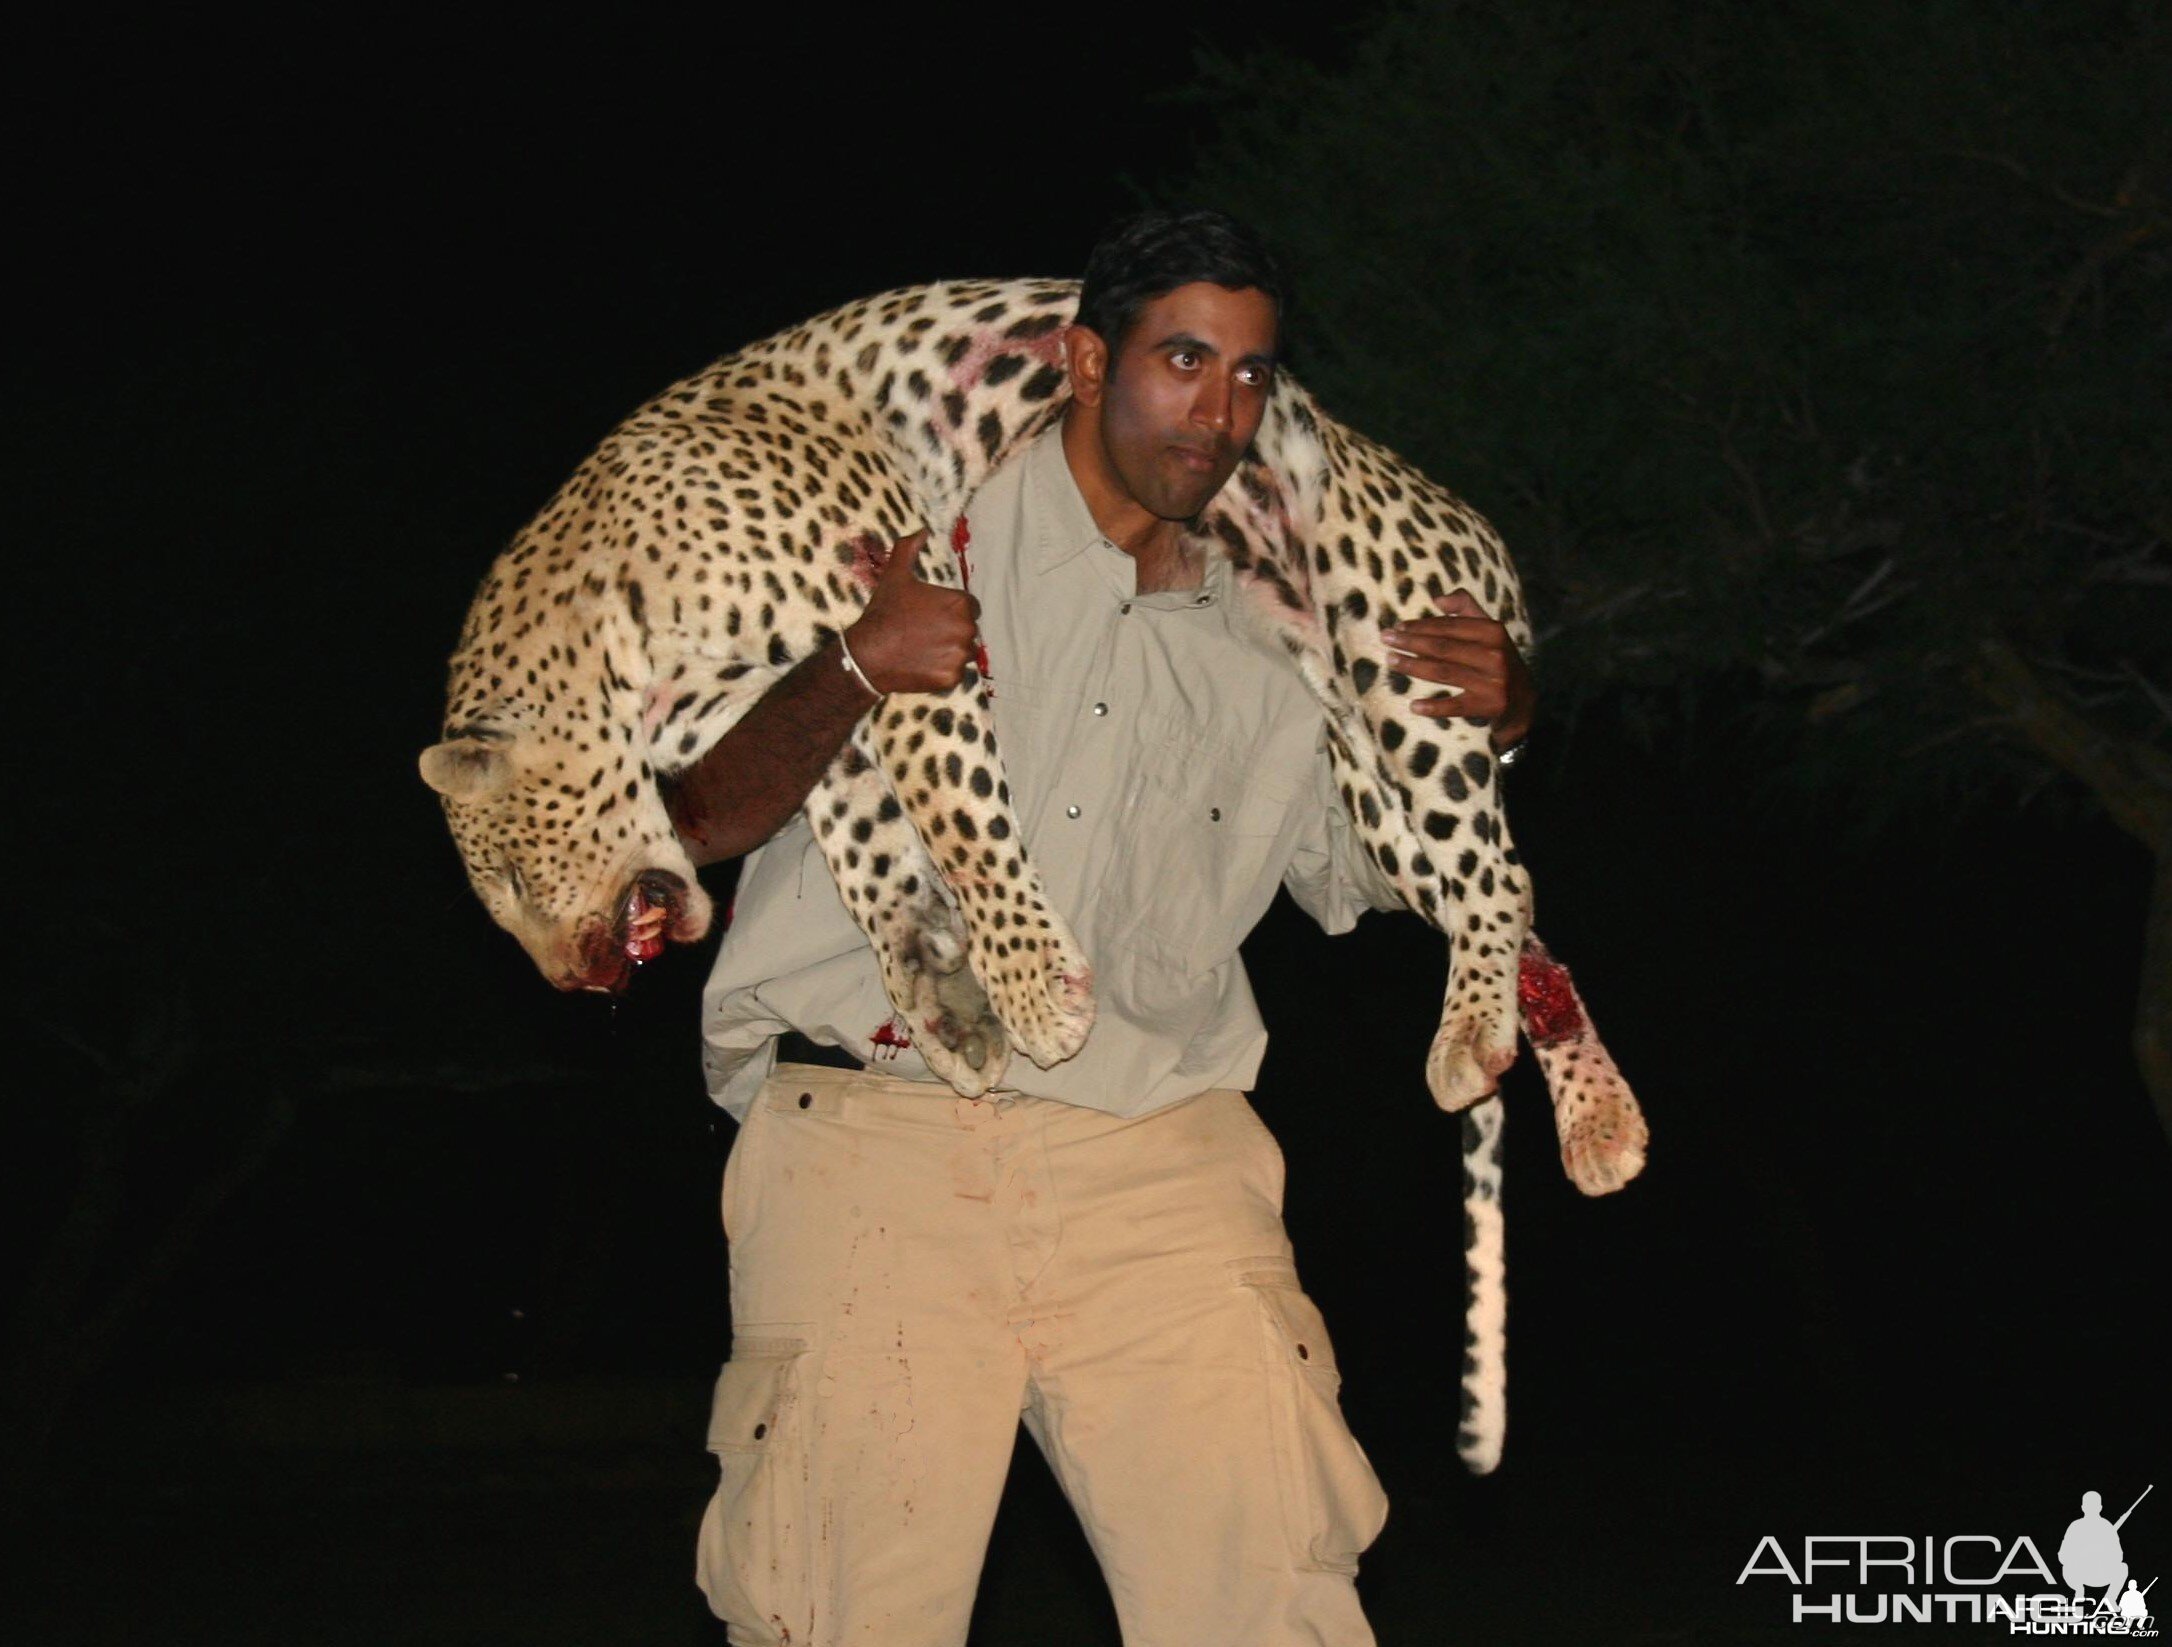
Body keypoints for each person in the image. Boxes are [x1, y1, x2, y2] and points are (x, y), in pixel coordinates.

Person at [667, 210, 1534, 1647]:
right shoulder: (894, 528)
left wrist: (1486, 732)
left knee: (1274, 1601)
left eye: (1253, 375)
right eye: (1184, 358)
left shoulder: (1287, 624)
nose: (1221, 407)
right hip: (875, 1143)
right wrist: (853, 667)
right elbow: (696, 820)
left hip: (1157, 1149)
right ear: (1084, 358)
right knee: (839, 1616)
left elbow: (1357, 876)